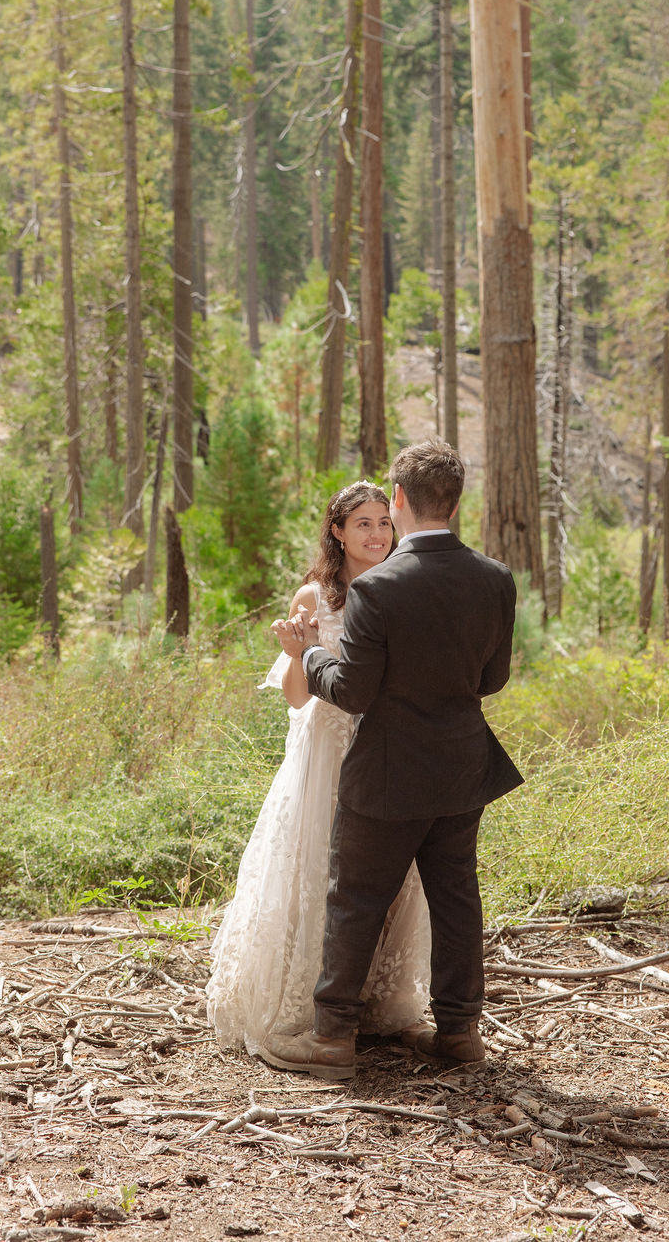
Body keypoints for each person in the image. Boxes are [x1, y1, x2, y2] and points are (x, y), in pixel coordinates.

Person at [268, 439, 521, 1080]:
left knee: (355, 897)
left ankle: (331, 1040)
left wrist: (312, 656)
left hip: (386, 770)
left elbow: (351, 690)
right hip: (463, 768)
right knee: (457, 896)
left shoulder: (378, 589)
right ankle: (460, 1030)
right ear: (455, 500)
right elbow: (491, 680)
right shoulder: (495, 579)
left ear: (400, 499)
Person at [206, 481, 431, 1061]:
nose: (378, 534)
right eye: (363, 524)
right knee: (320, 869)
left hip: (386, 749)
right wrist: (301, 649)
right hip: (326, 752)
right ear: (337, 531)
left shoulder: (404, 585)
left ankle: (379, 1001)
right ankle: (309, 1005)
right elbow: (296, 699)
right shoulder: (315, 597)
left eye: (384, 521)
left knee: (389, 876)